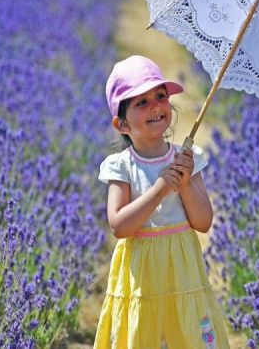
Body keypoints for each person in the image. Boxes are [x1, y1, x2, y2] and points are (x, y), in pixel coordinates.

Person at [93, 55, 229, 349]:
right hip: (142, 274)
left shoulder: (187, 159)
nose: (155, 106)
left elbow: (203, 222)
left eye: (160, 96)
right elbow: (119, 226)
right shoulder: (121, 166)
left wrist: (185, 184)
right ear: (122, 124)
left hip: (183, 270)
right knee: (143, 333)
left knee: (189, 332)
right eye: (141, 103)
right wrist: (159, 189)